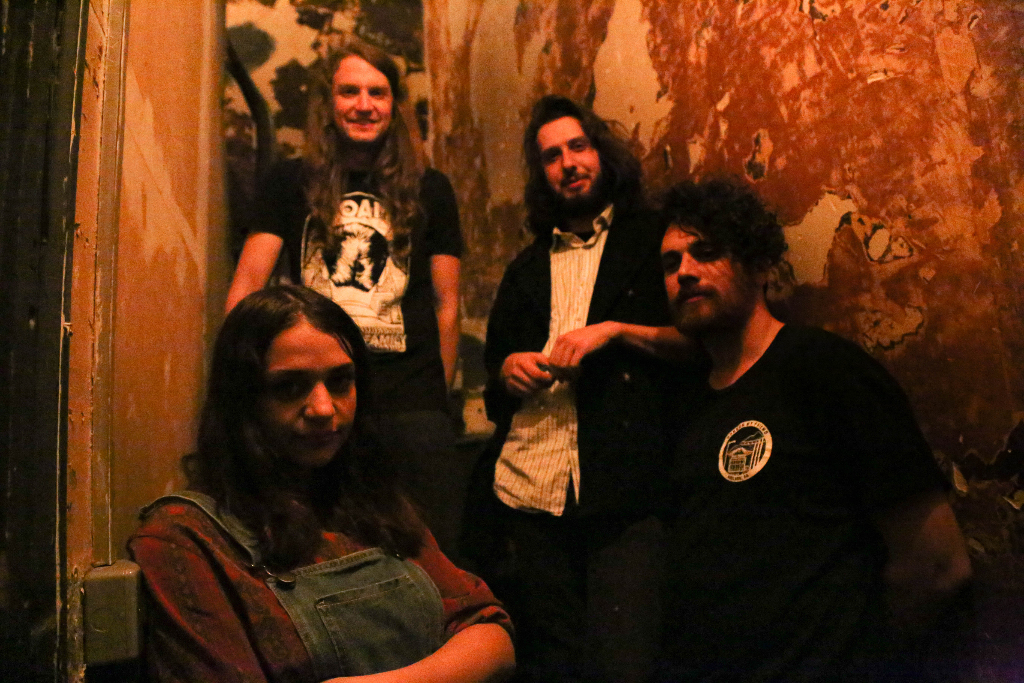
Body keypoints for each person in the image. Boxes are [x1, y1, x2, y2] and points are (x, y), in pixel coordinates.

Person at [656, 178, 973, 681]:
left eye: (707, 253)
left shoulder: (826, 371)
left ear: (758, 265)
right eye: (671, 263)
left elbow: (937, 566)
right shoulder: (686, 404)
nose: (685, 272)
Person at [129, 285, 514, 682]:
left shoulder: (370, 502)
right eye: (290, 387)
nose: (324, 408)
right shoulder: (187, 537)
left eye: (340, 381)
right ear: (243, 398)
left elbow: (490, 632)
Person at [477, 95, 695, 683]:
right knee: (553, 665)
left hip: (626, 487)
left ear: (602, 153)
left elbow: (701, 343)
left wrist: (615, 331)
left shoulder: (650, 241)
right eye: (552, 156)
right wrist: (509, 370)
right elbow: (495, 380)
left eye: (579, 146)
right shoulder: (526, 268)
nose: (568, 163)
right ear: (541, 173)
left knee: (624, 662)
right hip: (530, 490)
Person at [225, 42, 465, 558]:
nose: (364, 104)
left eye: (377, 93)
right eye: (349, 91)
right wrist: (242, 384)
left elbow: (447, 303)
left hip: (412, 402)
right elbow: (247, 285)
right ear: (328, 103)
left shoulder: (431, 188)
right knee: (328, 553)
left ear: (394, 105)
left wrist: (436, 396)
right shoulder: (289, 182)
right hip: (322, 396)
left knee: (432, 553)